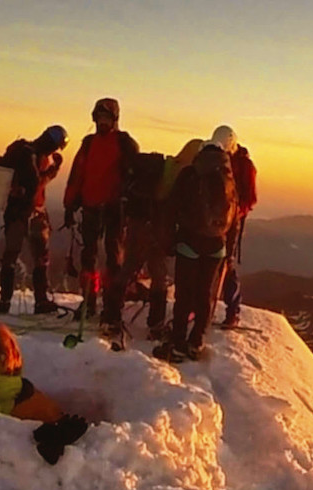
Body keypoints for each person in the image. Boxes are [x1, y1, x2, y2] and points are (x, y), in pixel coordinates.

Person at [101, 138, 204, 344]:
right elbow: (174, 206)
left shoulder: (166, 165)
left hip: (137, 222)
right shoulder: (184, 173)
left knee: (129, 266)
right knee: (159, 275)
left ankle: (111, 316)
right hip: (156, 226)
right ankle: (155, 326)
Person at [153, 136, 239, 363]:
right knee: (205, 294)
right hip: (217, 246)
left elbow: (171, 209)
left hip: (189, 242)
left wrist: (168, 241)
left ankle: (178, 342)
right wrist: (229, 252)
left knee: (184, 294)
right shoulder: (229, 179)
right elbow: (235, 220)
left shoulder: (189, 175)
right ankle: (197, 340)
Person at [63, 98, 139, 320]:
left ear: (114, 119)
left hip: (115, 208)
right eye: (99, 118)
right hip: (91, 206)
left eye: (106, 118)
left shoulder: (125, 143)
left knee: (113, 259)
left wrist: (128, 201)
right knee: (89, 257)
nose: (102, 122)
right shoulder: (89, 143)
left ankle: (111, 305)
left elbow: (135, 177)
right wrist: (69, 204)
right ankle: (89, 301)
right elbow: (78, 174)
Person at [0, 126, 69, 315]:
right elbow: (35, 184)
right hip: (30, 212)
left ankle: (5, 301)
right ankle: (40, 301)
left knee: (11, 256)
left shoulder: (26, 152)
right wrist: (53, 170)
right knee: (39, 257)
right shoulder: (32, 156)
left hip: (16, 212)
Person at [212, 126, 257, 328]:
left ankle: (233, 311)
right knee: (211, 260)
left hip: (231, 222)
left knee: (226, 264)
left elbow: (250, 198)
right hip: (214, 219)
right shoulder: (217, 158)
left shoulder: (245, 166)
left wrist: (234, 213)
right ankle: (207, 305)